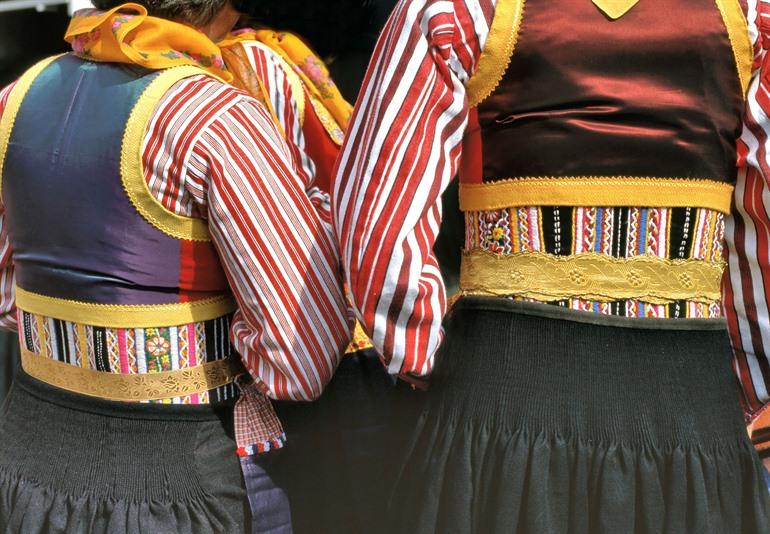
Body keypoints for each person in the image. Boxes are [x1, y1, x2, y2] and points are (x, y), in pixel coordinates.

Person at [333, 0, 770, 531]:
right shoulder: (750, 17)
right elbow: (762, 217)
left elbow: (375, 218)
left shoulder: (456, 9)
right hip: (690, 406)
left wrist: (432, 360)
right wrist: (741, 381)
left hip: (501, 396)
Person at [0, 1, 352, 532]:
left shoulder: (17, 96)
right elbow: (301, 358)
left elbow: (9, 302)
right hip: (180, 482)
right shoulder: (217, 116)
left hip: (27, 466)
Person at [217, 11, 419, 532]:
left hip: (320, 343)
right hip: (332, 339)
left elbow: (282, 218)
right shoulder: (271, 56)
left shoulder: (246, 65)